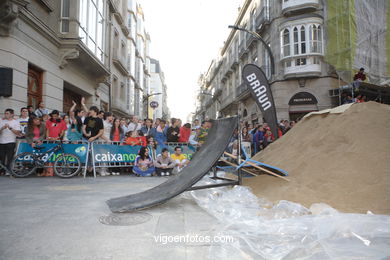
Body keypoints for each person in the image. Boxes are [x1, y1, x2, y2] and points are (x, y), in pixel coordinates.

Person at [83, 106, 104, 174]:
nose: (89, 112)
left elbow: (101, 132)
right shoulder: (87, 118)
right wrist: (86, 133)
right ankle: (85, 169)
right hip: (85, 139)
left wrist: (93, 137)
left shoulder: (99, 120)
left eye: (91, 111)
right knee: (85, 154)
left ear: (95, 111)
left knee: (93, 154)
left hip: (94, 140)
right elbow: (83, 128)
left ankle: (91, 169)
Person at [0, 109, 21, 175]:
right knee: (2, 157)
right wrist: (2, 128)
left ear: (12, 114)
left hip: (11, 142)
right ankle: (2, 171)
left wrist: (10, 128)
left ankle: (8, 171)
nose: (6, 114)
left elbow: (18, 132)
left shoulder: (16, 122)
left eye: (7, 113)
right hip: (2, 142)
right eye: (5, 113)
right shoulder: (2, 121)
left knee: (10, 157)